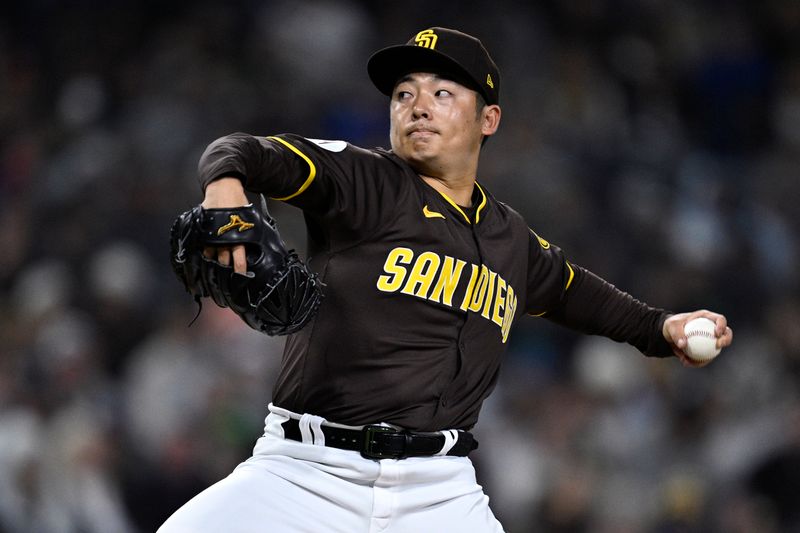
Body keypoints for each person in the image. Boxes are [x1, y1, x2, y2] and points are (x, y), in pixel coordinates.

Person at [158, 27, 733, 532]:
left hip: (439, 491)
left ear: (489, 118)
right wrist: (226, 185)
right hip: (305, 475)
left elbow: (574, 293)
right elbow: (243, 150)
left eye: (442, 92)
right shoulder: (363, 181)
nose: (417, 105)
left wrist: (662, 328)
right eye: (404, 93)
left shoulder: (511, 238)